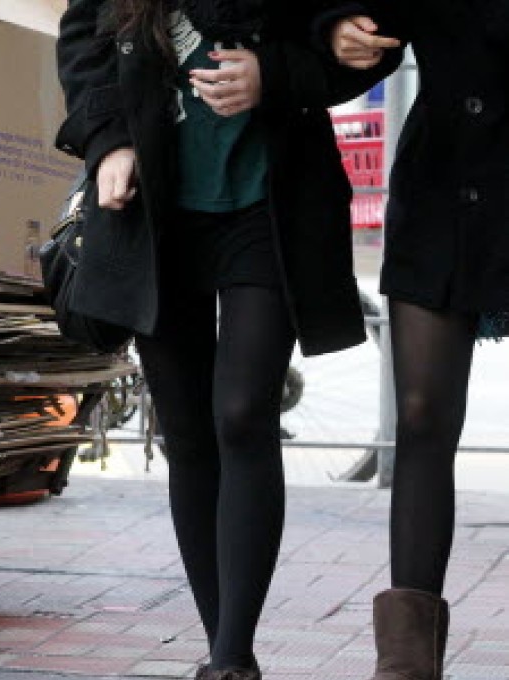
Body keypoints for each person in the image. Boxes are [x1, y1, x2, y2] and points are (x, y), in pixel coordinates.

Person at [55, 1, 393, 678]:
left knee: (242, 413)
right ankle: (223, 653)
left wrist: (274, 73)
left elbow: (362, 40)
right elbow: (82, 37)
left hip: (268, 204)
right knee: (186, 430)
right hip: (156, 205)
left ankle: (232, 658)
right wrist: (109, 141)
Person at [317, 3, 509, 678]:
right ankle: (405, 663)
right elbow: (369, 18)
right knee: (422, 414)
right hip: (443, 188)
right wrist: (338, 27)